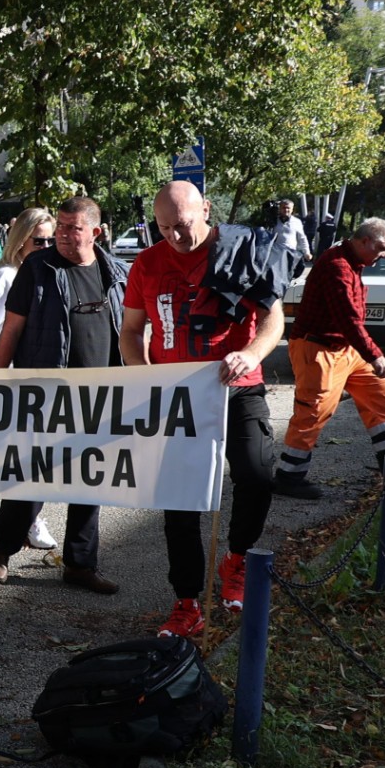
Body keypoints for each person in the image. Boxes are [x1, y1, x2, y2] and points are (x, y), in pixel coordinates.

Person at [120, 181, 284, 639]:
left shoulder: (240, 250)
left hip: (239, 389)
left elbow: (273, 318)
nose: (175, 237)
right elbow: (132, 330)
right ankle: (187, 600)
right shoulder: (148, 263)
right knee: (180, 503)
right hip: (179, 397)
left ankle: (237, 561)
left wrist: (251, 354)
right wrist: (146, 373)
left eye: (184, 225)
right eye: (165, 228)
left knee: (255, 475)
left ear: (206, 209)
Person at [0, 197, 125, 596]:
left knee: (89, 483)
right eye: (60, 227)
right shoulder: (37, 268)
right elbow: (10, 329)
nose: (62, 235)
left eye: (72, 228)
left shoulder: (114, 271)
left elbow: (130, 331)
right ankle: (3, 547)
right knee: (33, 479)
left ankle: (81, 564)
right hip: (46, 397)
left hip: (100, 398)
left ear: (95, 232)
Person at [274, 218, 385, 498]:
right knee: (313, 411)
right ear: (363, 241)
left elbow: (349, 322)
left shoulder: (353, 261)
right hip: (317, 349)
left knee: (379, 392)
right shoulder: (337, 266)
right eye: (382, 248)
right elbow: (347, 319)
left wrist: (366, 355)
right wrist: (375, 355)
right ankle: (288, 477)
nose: (384, 255)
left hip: (344, 348)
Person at [0, 208, 58, 551]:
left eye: (52, 239)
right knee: (14, 451)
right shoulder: (5, 276)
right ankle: (19, 514)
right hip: (7, 379)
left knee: (30, 453)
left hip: (37, 377)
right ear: (21, 240)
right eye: (40, 240)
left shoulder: (50, 271)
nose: (47, 245)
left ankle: (12, 508)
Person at [273, 199, 313, 284]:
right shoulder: (273, 221)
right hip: (275, 255)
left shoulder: (296, 222)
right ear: (280, 208)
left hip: (290, 255)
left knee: (287, 278)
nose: (286, 210)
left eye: (288, 208)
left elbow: (302, 238)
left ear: (292, 209)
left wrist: (307, 252)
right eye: (284, 207)